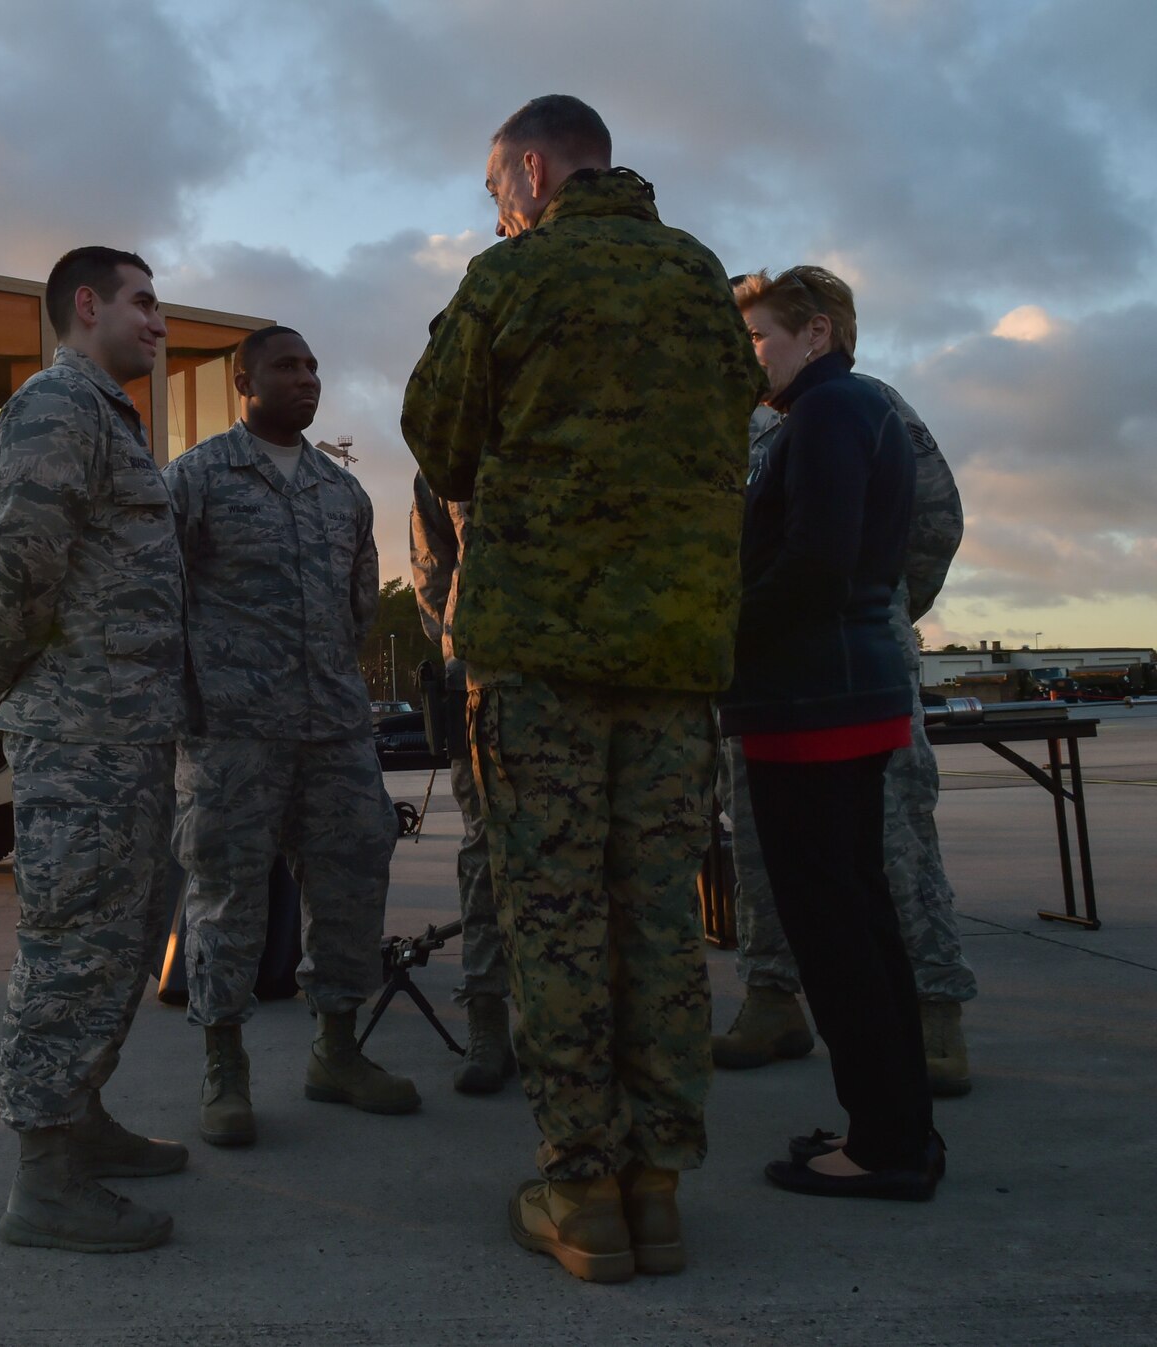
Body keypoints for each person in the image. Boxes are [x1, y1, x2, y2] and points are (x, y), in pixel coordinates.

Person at [401, 95, 763, 1282]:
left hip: (541, 662)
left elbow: (436, 441)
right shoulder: (703, 283)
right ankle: (654, 1185)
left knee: (554, 920)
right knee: (655, 919)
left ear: (530, 170)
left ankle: (580, 1193)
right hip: (668, 664)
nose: (492, 208)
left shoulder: (510, 276)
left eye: (493, 187)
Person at [0, 245, 189, 1253]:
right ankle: (44, 1177)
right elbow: (20, 560)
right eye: (142, 303)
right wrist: (3, 667)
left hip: (128, 734)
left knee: (120, 943)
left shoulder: (109, 419)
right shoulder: (56, 410)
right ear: (86, 304)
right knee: (71, 949)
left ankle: (83, 1118)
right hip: (80, 738)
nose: (158, 323)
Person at [166, 325, 414, 1149]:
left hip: (334, 729)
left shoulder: (341, 492)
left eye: (313, 366)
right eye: (286, 366)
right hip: (234, 734)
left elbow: (359, 607)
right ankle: (224, 1068)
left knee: (351, 882)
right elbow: (159, 600)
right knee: (228, 899)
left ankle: (337, 1052)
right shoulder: (196, 480)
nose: (306, 379)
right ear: (245, 381)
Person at [724, 265, 941, 1201]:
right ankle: (893, 1125)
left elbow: (816, 562)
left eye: (762, 338)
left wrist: (716, 636)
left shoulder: (825, 413)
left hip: (815, 701)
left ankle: (884, 1146)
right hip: (838, 691)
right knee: (860, 916)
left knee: (834, 929)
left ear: (815, 331)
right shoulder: (847, 410)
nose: (753, 356)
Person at [715, 373, 977, 1095]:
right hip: (753, 657)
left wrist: (877, 604)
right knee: (761, 836)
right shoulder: (702, 409)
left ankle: (932, 1008)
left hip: (848, 650)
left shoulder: (855, 403)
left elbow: (932, 518)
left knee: (891, 833)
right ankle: (772, 995)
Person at [409, 471, 517, 1094]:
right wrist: (459, 647)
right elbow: (431, 569)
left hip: (586, 673)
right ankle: (487, 1020)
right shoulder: (454, 443)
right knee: (484, 853)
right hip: (483, 680)